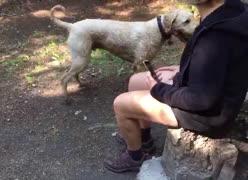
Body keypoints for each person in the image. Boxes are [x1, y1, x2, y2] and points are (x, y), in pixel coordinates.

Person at [104, 0, 248, 173]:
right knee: (136, 81)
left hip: (207, 115)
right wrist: (186, 68)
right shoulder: (231, 9)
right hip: (207, 90)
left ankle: (134, 157)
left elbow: (202, 100)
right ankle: (144, 141)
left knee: (121, 104)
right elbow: (221, 63)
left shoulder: (217, 35)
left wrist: (159, 90)